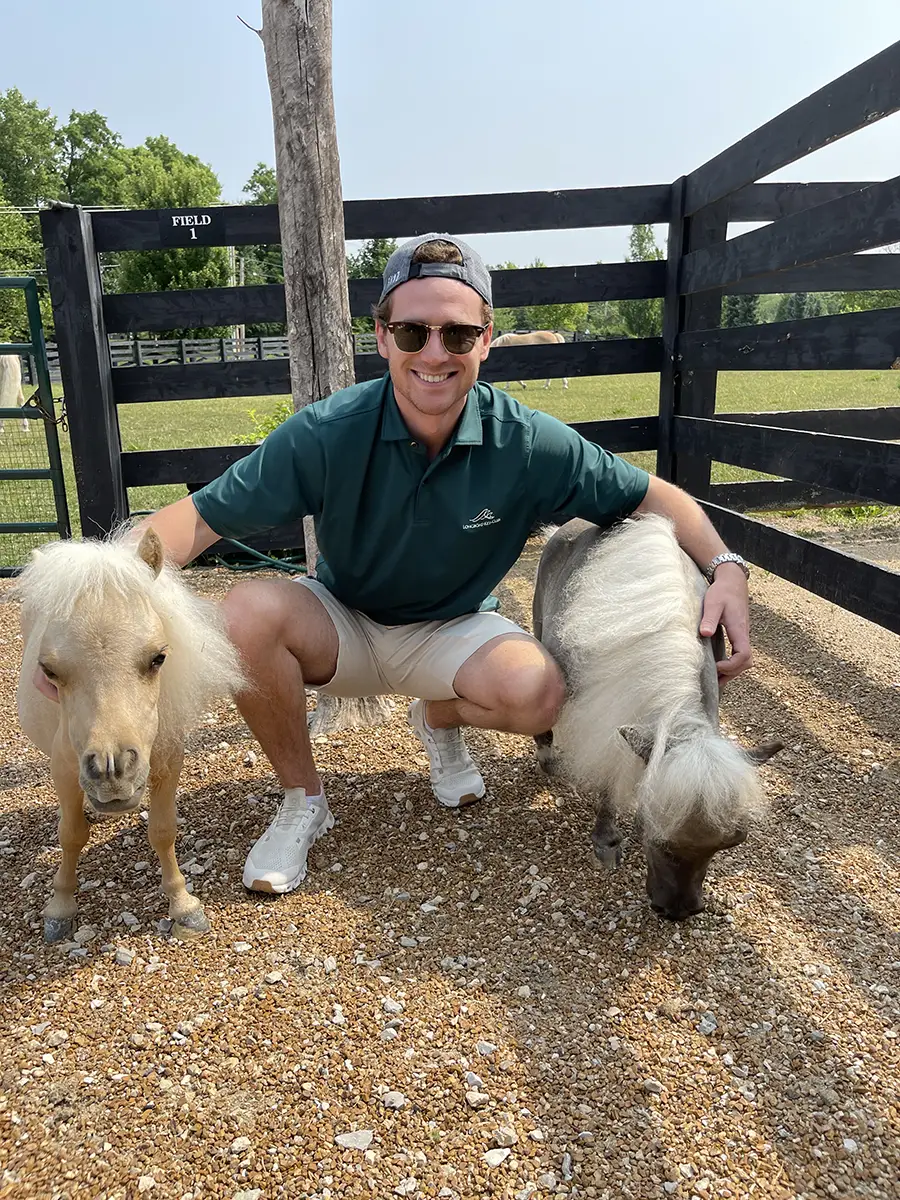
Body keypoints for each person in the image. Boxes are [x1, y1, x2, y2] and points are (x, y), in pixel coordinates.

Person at [97, 233, 753, 894]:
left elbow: (656, 497)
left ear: (487, 341)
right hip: (343, 623)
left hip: (452, 628)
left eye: (458, 335)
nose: (434, 354)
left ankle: (438, 720)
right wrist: (98, 604)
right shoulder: (327, 432)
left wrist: (726, 568)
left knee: (542, 695)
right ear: (381, 337)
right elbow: (196, 519)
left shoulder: (528, 442)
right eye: (412, 333)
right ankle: (303, 801)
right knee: (245, 615)